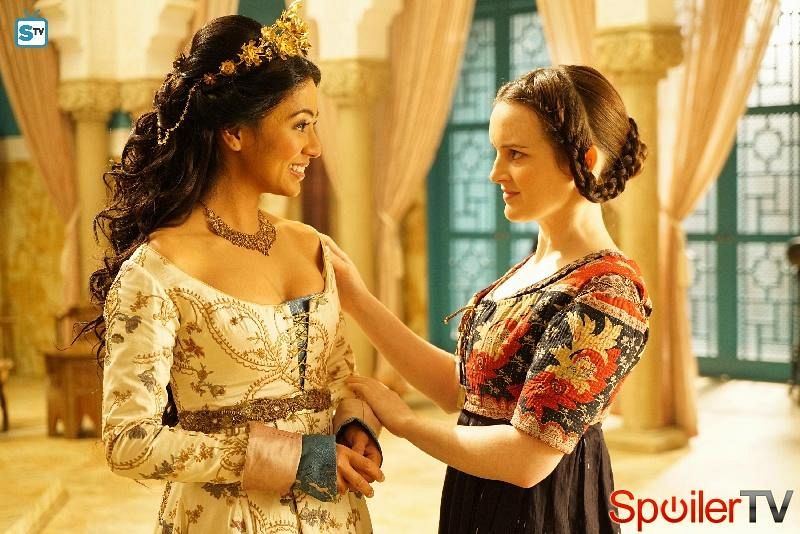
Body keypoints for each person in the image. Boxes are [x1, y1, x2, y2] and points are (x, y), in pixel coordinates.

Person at [83, 3, 383, 532]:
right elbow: (129, 442)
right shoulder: (155, 271)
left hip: (335, 517)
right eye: (300, 125)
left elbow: (338, 381)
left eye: (315, 126)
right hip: (228, 519)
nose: (315, 147)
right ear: (234, 133)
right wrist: (294, 459)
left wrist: (353, 426)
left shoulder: (313, 246)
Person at [323, 65, 652, 533]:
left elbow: (527, 459)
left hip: (542, 512)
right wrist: (356, 298)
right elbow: (463, 390)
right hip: (480, 497)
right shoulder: (535, 268)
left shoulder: (607, 294)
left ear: (584, 159)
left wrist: (405, 423)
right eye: (497, 152)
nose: (496, 173)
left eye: (516, 154)